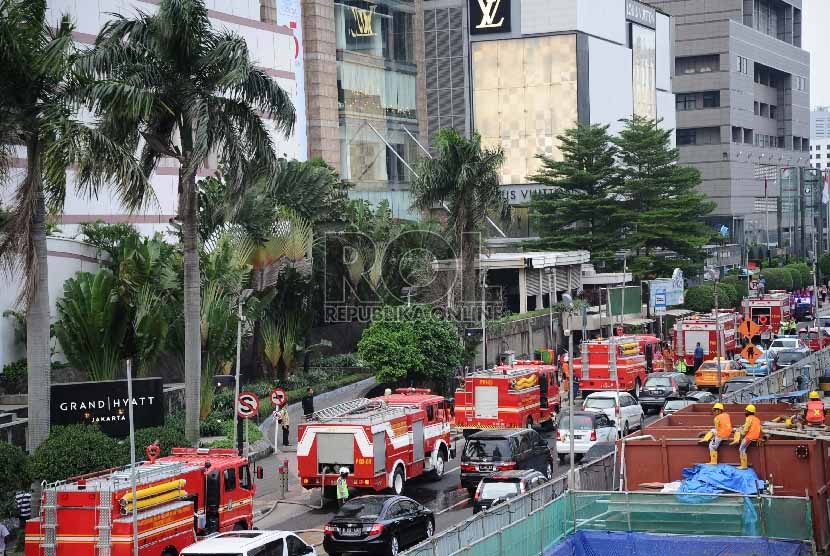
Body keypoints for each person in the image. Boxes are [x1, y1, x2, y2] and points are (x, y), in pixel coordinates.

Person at [731, 404, 762, 470]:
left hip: (749, 437)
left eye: (746, 411)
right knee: (738, 431)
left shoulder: (749, 418)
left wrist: (741, 433)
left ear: (749, 412)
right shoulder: (757, 419)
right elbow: (758, 428)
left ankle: (744, 466)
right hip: (755, 436)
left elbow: (746, 429)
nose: (745, 412)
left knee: (741, 449)